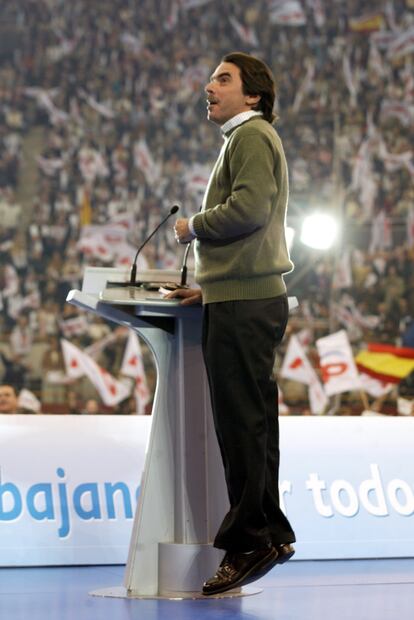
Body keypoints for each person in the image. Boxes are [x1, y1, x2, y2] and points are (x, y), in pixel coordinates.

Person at [168, 52, 296, 595]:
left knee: (241, 427)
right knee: (255, 425)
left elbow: (248, 211)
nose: (209, 86)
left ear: (252, 96)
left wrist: (191, 226)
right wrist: (212, 285)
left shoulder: (249, 136)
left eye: (223, 79)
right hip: (241, 297)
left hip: (244, 306)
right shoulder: (250, 137)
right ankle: (271, 533)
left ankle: (249, 543)